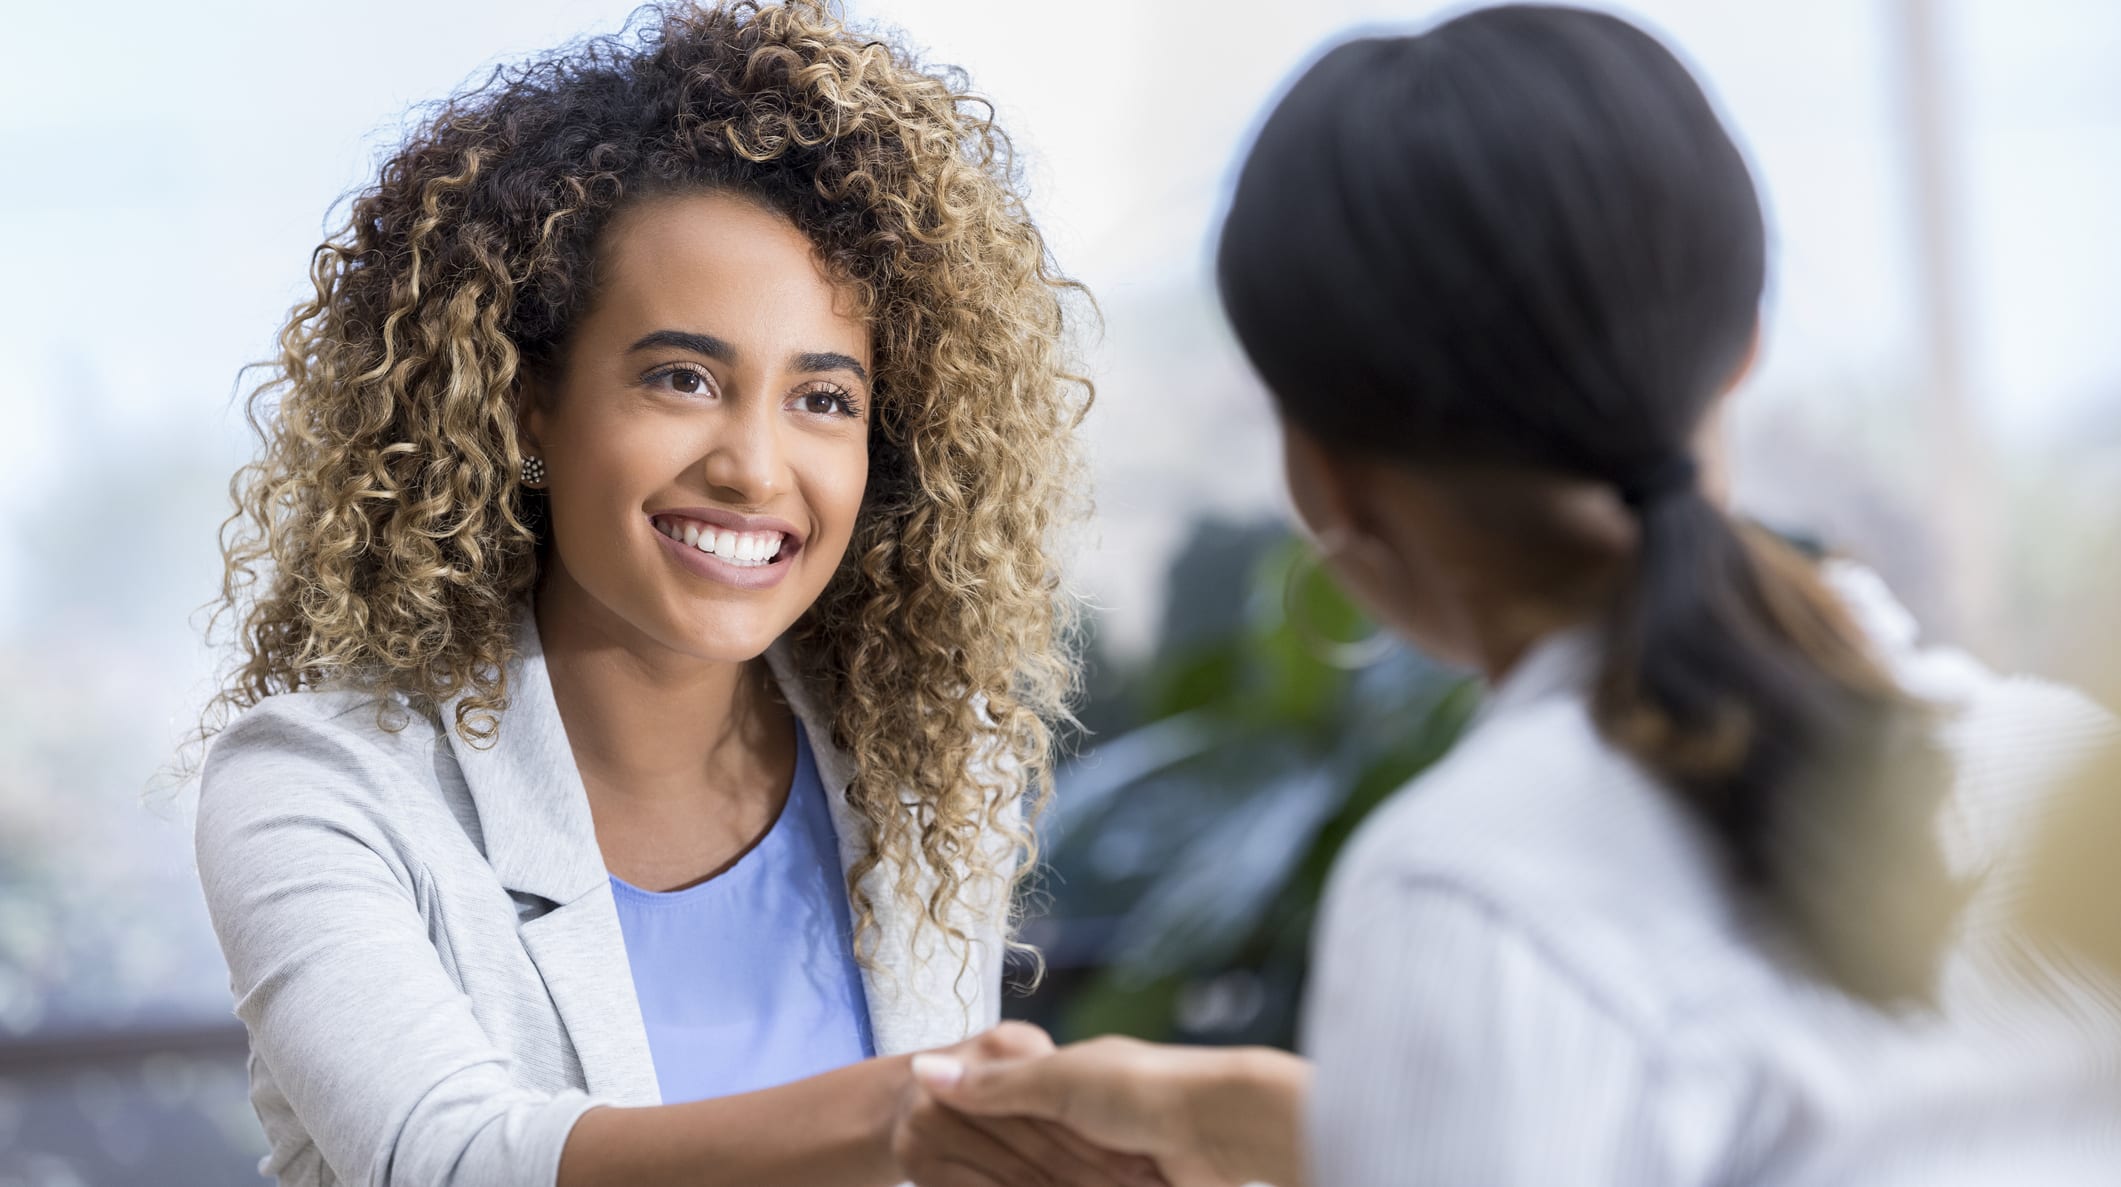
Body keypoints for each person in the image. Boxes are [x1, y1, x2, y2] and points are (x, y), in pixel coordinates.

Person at [914, 6, 2121, 1185]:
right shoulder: (2060, 772)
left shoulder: (1474, 890)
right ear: (1744, 347)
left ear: (1324, 477)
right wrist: (1317, 1133)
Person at [190, 3, 1160, 1185]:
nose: (756, 467)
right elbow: (444, 1155)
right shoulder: (319, 784)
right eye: (684, 377)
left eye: (823, 399)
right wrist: (916, 1108)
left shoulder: (923, 765)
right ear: (527, 401)